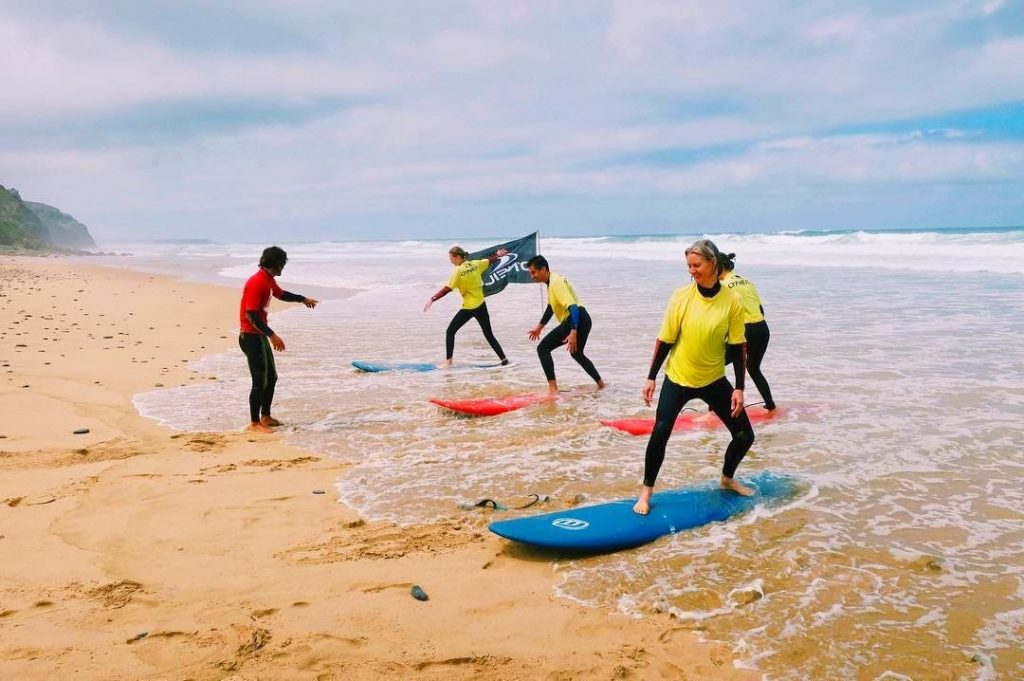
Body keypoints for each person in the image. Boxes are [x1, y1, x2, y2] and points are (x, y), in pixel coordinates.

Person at [633, 239, 755, 515]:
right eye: (689, 265)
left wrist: (739, 387)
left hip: (713, 380)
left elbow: (738, 346)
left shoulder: (732, 301)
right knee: (661, 432)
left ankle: (726, 478)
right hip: (678, 378)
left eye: (697, 265)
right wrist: (651, 377)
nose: (692, 271)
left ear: (713, 264)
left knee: (745, 435)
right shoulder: (681, 297)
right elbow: (665, 340)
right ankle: (646, 493)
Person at [238, 246, 318, 433]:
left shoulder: (268, 279)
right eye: (281, 264)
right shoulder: (257, 282)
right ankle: (254, 423)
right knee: (259, 381)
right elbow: (251, 315)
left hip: (258, 335)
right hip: (250, 336)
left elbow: (280, 294)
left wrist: (302, 299)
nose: (282, 268)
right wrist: (272, 335)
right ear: (271, 264)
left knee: (271, 378)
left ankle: (265, 416)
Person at [525, 255, 605, 394]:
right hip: (584, 319)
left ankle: (552, 389)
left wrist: (573, 332)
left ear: (543, 269)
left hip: (576, 318)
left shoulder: (556, 283)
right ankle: (601, 384)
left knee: (543, 349)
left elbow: (573, 307)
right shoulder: (552, 282)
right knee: (577, 354)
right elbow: (551, 307)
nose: (532, 276)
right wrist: (539, 327)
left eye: (533, 272)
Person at [423, 245, 509, 367]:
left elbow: (446, 289)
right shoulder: (475, 264)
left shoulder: (458, 271)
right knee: (489, 334)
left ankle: (448, 362)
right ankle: (504, 359)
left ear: (457, 257)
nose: (450, 261)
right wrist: (499, 255)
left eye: (451, 258)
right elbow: (490, 260)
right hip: (481, 305)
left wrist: (432, 299)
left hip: (469, 308)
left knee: (450, 332)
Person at [719, 252, 776, 411]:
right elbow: (760, 309)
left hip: (745, 331)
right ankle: (770, 407)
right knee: (753, 368)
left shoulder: (723, 286)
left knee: (715, 367)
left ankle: (714, 412)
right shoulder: (746, 281)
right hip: (762, 329)